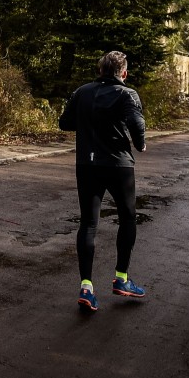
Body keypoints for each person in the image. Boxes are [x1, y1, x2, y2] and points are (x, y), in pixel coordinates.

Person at [59, 51, 148, 312]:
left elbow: (64, 123)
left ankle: (86, 287)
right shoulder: (127, 94)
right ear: (124, 73)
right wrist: (140, 144)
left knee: (88, 223)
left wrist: (88, 121)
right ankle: (122, 278)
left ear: (100, 70)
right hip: (118, 164)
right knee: (128, 218)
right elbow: (137, 122)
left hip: (87, 164)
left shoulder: (81, 92)